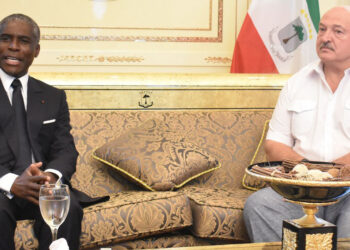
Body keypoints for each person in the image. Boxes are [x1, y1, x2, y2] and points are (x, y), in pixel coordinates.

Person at [0, 13, 107, 250]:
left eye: (24, 41)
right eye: (5, 39)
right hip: (1, 188)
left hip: (41, 189)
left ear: (36, 50)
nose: (13, 47)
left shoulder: (53, 97)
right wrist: (11, 182)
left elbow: (64, 149)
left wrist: (50, 177)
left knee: (66, 205)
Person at [243, 6, 350, 242]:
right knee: (259, 205)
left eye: (338, 32)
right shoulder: (296, 83)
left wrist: (332, 175)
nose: (325, 37)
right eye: (322, 30)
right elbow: (275, 143)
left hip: (349, 190)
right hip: (301, 188)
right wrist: (309, 175)